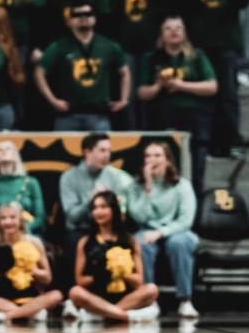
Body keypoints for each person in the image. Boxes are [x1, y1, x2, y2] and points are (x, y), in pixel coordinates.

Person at [176, 0, 248, 157]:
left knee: (227, 93)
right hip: (199, 40)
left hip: (226, 39)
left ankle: (230, 140)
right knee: (202, 94)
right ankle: (204, 139)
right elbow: (183, 4)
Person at [139, 17, 218, 189]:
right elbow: (142, 93)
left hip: (195, 119)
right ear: (161, 35)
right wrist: (159, 84)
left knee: (196, 168)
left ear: (185, 33)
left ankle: (195, 210)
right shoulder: (152, 58)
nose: (174, 31)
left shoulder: (197, 55)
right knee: (167, 168)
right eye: (168, 28)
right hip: (163, 117)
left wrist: (181, 85)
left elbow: (212, 86)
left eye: (178, 28)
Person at [126, 142, 200, 319]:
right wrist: (148, 188)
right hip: (147, 231)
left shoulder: (182, 185)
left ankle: (185, 300)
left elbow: (185, 221)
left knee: (178, 243)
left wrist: (161, 232)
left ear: (168, 160)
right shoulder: (135, 187)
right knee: (140, 243)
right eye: (148, 156)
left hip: (176, 232)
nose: (152, 160)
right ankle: (149, 301)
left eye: (157, 155)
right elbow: (138, 217)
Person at [34, 2, 130, 132]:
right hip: (68, 114)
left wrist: (124, 99)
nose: (83, 17)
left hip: (99, 114)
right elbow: (39, 72)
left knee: (101, 151)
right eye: (77, 15)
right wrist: (53, 101)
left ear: (94, 18)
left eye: (88, 14)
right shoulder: (59, 46)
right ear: (70, 20)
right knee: (62, 152)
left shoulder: (109, 45)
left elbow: (125, 71)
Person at [66, 191, 160, 322]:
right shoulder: (85, 242)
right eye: (95, 208)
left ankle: (103, 314)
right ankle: (125, 316)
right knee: (75, 292)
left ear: (114, 209)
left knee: (152, 289)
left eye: (103, 207)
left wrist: (119, 272)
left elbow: (139, 280)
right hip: (97, 297)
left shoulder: (130, 240)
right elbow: (80, 281)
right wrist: (101, 274)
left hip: (125, 297)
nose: (98, 212)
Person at [0, 203, 63, 323]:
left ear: (21, 220)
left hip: (30, 298)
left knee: (57, 295)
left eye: (12, 217)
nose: (8, 222)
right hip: (2, 300)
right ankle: (26, 313)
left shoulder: (34, 242)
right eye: (3, 218)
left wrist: (29, 268)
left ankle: (10, 315)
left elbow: (47, 278)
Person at [59, 133, 136, 255]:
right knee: (74, 241)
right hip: (82, 230)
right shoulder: (69, 177)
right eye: (102, 150)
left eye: (109, 151)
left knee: (127, 240)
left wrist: (112, 203)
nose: (107, 155)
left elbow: (122, 211)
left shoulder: (116, 176)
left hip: (110, 229)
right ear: (87, 152)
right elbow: (71, 217)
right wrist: (91, 201)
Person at [0, 141, 46, 235]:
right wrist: (7, 227)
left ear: (16, 155)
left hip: (29, 233)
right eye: (0, 150)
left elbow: (40, 217)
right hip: (2, 234)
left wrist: (23, 229)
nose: (4, 151)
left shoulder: (31, 182)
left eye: (8, 148)